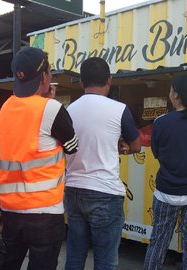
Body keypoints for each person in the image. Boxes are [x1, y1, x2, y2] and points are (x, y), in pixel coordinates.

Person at [0, 47, 78, 270]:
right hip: (44, 212)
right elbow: (72, 146)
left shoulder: (5, 108)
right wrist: (48, 102)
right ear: (45, 77)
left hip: (10, 209)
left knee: (9, 264)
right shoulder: (51, 108)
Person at [65, 57, 141, 270]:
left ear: (81, 83)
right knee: (106, 261)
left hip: (73, 189)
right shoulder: (119, 109)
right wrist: (120, 146)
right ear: (109, 80)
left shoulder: (69, 110)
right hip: (105, 192)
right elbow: (136, 146)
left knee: (74, 256)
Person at [143, 75, 187, 270]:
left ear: (175, 94)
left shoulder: (161, 122)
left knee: (158, 242)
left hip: (166, 192)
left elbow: (156, 152)